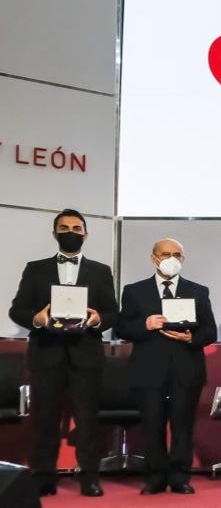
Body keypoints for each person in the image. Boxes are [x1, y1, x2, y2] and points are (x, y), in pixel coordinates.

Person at [7, 208, 118, 497]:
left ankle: (89, 478)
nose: (71, 232)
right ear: (55, 233)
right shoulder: (35, 269)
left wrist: (97, 320)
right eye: (64, 227)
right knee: (45, 419)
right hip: (46, 354)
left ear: (86, 233)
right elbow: (16, 309)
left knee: (87, 420)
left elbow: (112, 312)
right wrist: (37, 318)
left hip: (87, 355)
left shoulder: (101, 271)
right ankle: (44, 476)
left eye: (76, 228)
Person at [115, 238, 218, 494]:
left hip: (186, 369)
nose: (171, 258)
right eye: (165, 254)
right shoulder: (134, 291)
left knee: (183, 426)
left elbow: (210, 331)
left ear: (182, 259)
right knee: (152, 424)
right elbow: (120, 328)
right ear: (154, 258)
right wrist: (145, 324)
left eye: (177, 254)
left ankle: (180, 476)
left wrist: (192, 338)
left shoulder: (198, 290)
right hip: (149, 370)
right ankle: (155, 477)